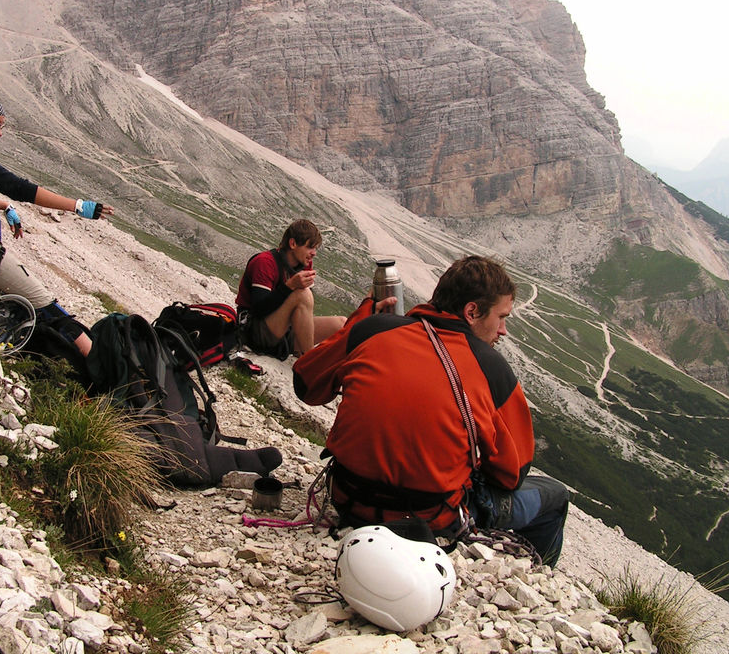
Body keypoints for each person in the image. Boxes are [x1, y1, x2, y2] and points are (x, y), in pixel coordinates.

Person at [292, 256, 569, 566]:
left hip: (349, 499)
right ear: (472, 312)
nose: (503, 330)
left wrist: (360, 321)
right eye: (501, 317)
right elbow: (512, 475)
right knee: (555, 496)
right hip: (432, 517)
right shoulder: (491, 369)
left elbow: (305, 384)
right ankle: (536, 578)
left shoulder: (370, 331)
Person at [0, 94, 113, 356]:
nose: (0, 133)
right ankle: (102, 369)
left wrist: (3, 206)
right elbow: (18, 187)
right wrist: (79, 206)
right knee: (47, 306)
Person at [235, 219, 346, 357]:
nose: (314, 253)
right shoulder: (265, 262)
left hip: (285, 329)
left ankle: (307, 353)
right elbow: (259, 309)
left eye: (315, 248)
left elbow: (302, 308)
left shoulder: (304, 265)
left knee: (342, 324)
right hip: (255, 331)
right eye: (310, 247)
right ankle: (309, 363)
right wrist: (290, 286)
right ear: (293, 243)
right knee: (303, 295)